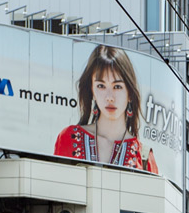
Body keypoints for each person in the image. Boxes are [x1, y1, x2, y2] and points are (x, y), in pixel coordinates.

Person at [53, 45, 159, 174]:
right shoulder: (68, 138)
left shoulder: (144, 157)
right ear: (92, 89)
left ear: (130, 93)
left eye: (118, 87)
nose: (109, 97)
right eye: (101, 86)